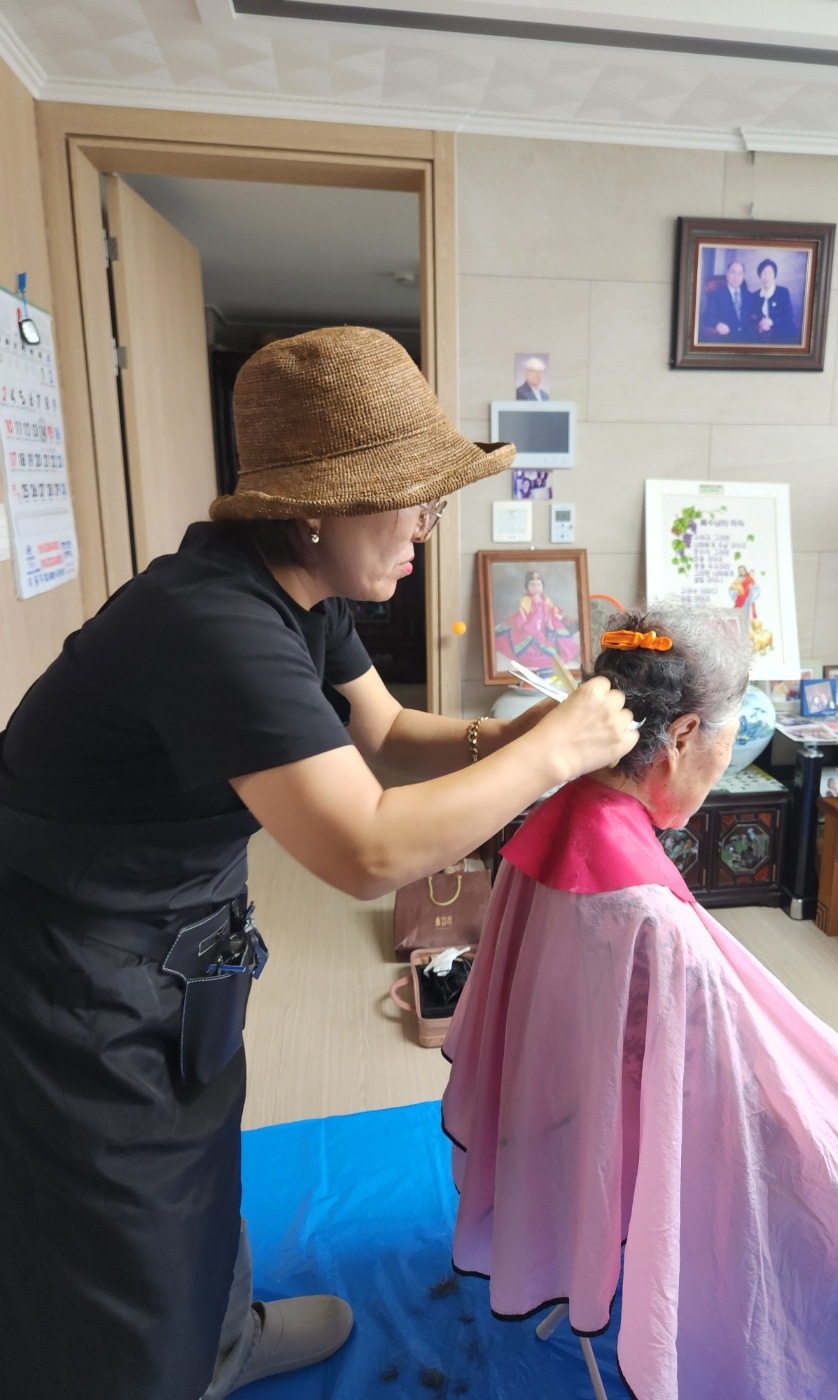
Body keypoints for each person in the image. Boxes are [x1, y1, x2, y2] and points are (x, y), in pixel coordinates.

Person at [0, 326, 637, 1400]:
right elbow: (365, 847)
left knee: (201, 1148)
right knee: (119, 1204)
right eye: (413, 502)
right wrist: (555, 753)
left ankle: (220, 1342)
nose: (427, 528)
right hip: (71, 948)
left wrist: (511, 734)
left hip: (182, 926)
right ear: (320, 506)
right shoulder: (211, 620)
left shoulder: (306, 588)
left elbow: (386, 732)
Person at [442, 604, 838, 1400]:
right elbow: (740, 1097)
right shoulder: (650, 919)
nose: (724, 764)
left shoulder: (551, 820)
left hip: (566, 1119)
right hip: (670, 1135)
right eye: (726, 743)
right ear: (684, 733)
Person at [494, 569, 579, 671]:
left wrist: (558, 614)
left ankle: (558, 652)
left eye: (538, 585)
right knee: (529, 638)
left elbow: (552, 607)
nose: (536, 588)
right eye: (533, 585)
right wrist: (521, 623)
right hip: (531, 623)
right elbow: (523, 612)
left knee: (557, 635)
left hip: (545, 622)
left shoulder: (544, 598)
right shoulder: (526, 599)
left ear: (542, 586)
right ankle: (534, 656)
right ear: (527, 587)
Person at [699, 258, 753, 340]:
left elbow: (757, 313)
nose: (736, 277)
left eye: (740, 273)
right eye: (733, 272)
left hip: (749, 337)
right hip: (728, 337)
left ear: (743, 277)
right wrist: (718, 325)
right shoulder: (716, 295)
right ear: (727, 275)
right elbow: (707, 317)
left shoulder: (749, 296)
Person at [751, 257, 798, 343]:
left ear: (774, 275)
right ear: (759, 275)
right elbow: (753, 315)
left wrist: (770, 322)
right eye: (764, 273)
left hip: (785, 332)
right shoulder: (755, 295)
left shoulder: (782, 292)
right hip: (764, 333)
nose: (766, 277)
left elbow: (789, 315)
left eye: (770, 273)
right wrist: (761, 324)